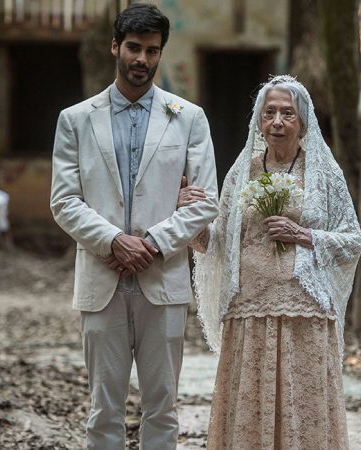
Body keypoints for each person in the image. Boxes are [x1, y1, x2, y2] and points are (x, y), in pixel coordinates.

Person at [50, 4, 218, 449]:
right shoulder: (76, 119)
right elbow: (64, 200)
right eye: (133, 48)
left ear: (161, 53)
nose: (142, 59)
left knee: (162, 406)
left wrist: (152, 244)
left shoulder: (188, 117)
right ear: (115, 47)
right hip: (101, 276)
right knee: (103, 406)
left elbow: (206, 203)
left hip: (162, 280)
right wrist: (112, 240)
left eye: (152, 50)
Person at [180, 75, 361, 449]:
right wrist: (189, 216)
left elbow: (352, 241)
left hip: (305, 312)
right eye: (270, 113)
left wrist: (304, 235)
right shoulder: (241, 172)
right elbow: (214, 242)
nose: (277, 121)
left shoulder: (323, 174)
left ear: (303, 121)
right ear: (259, 121)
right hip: (249, 308)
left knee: (302, 404)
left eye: (287, 114)